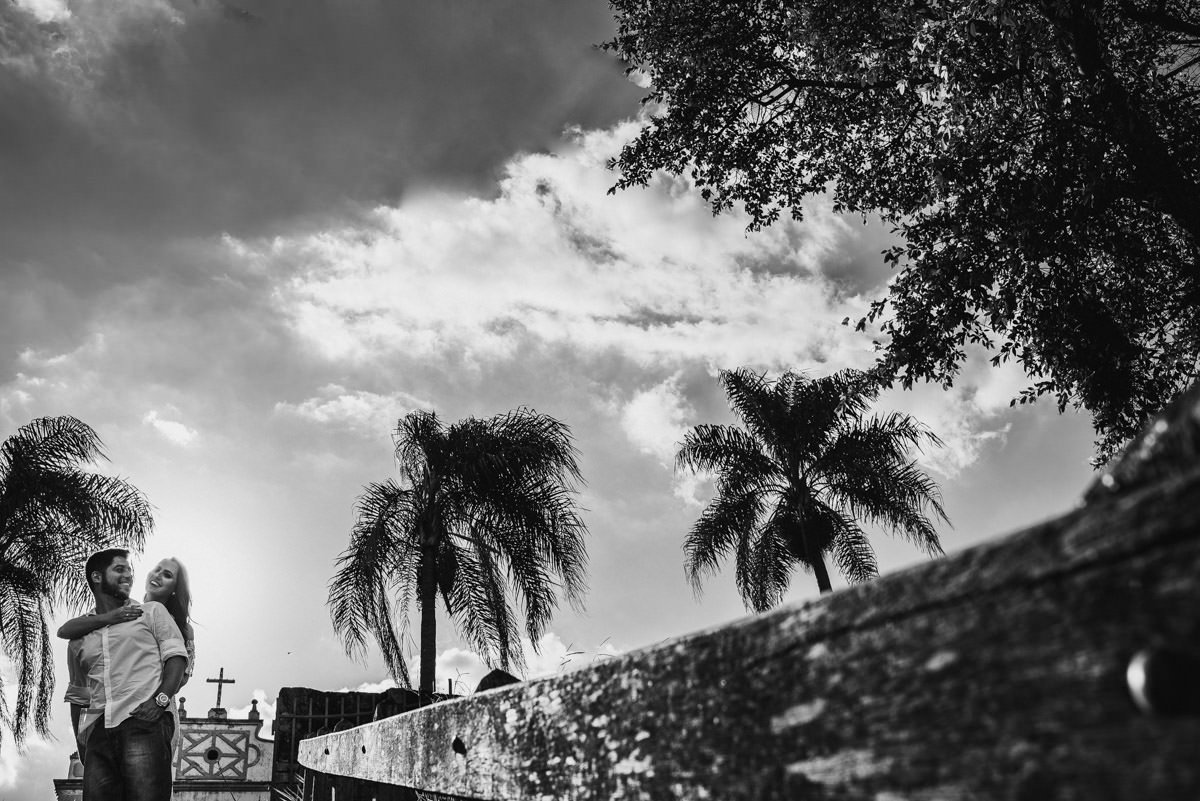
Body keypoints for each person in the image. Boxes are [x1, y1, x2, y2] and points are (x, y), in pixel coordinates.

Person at [65, 549, 189, 801]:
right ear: (97, 577)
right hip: (98, 733)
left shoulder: (151, 612)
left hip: (142, 720)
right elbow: (79, 694)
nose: (129, 576)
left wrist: (159, 701)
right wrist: (83, 743)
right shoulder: (79, 638)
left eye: (130, 571)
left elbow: (177, 658)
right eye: (120, 569)